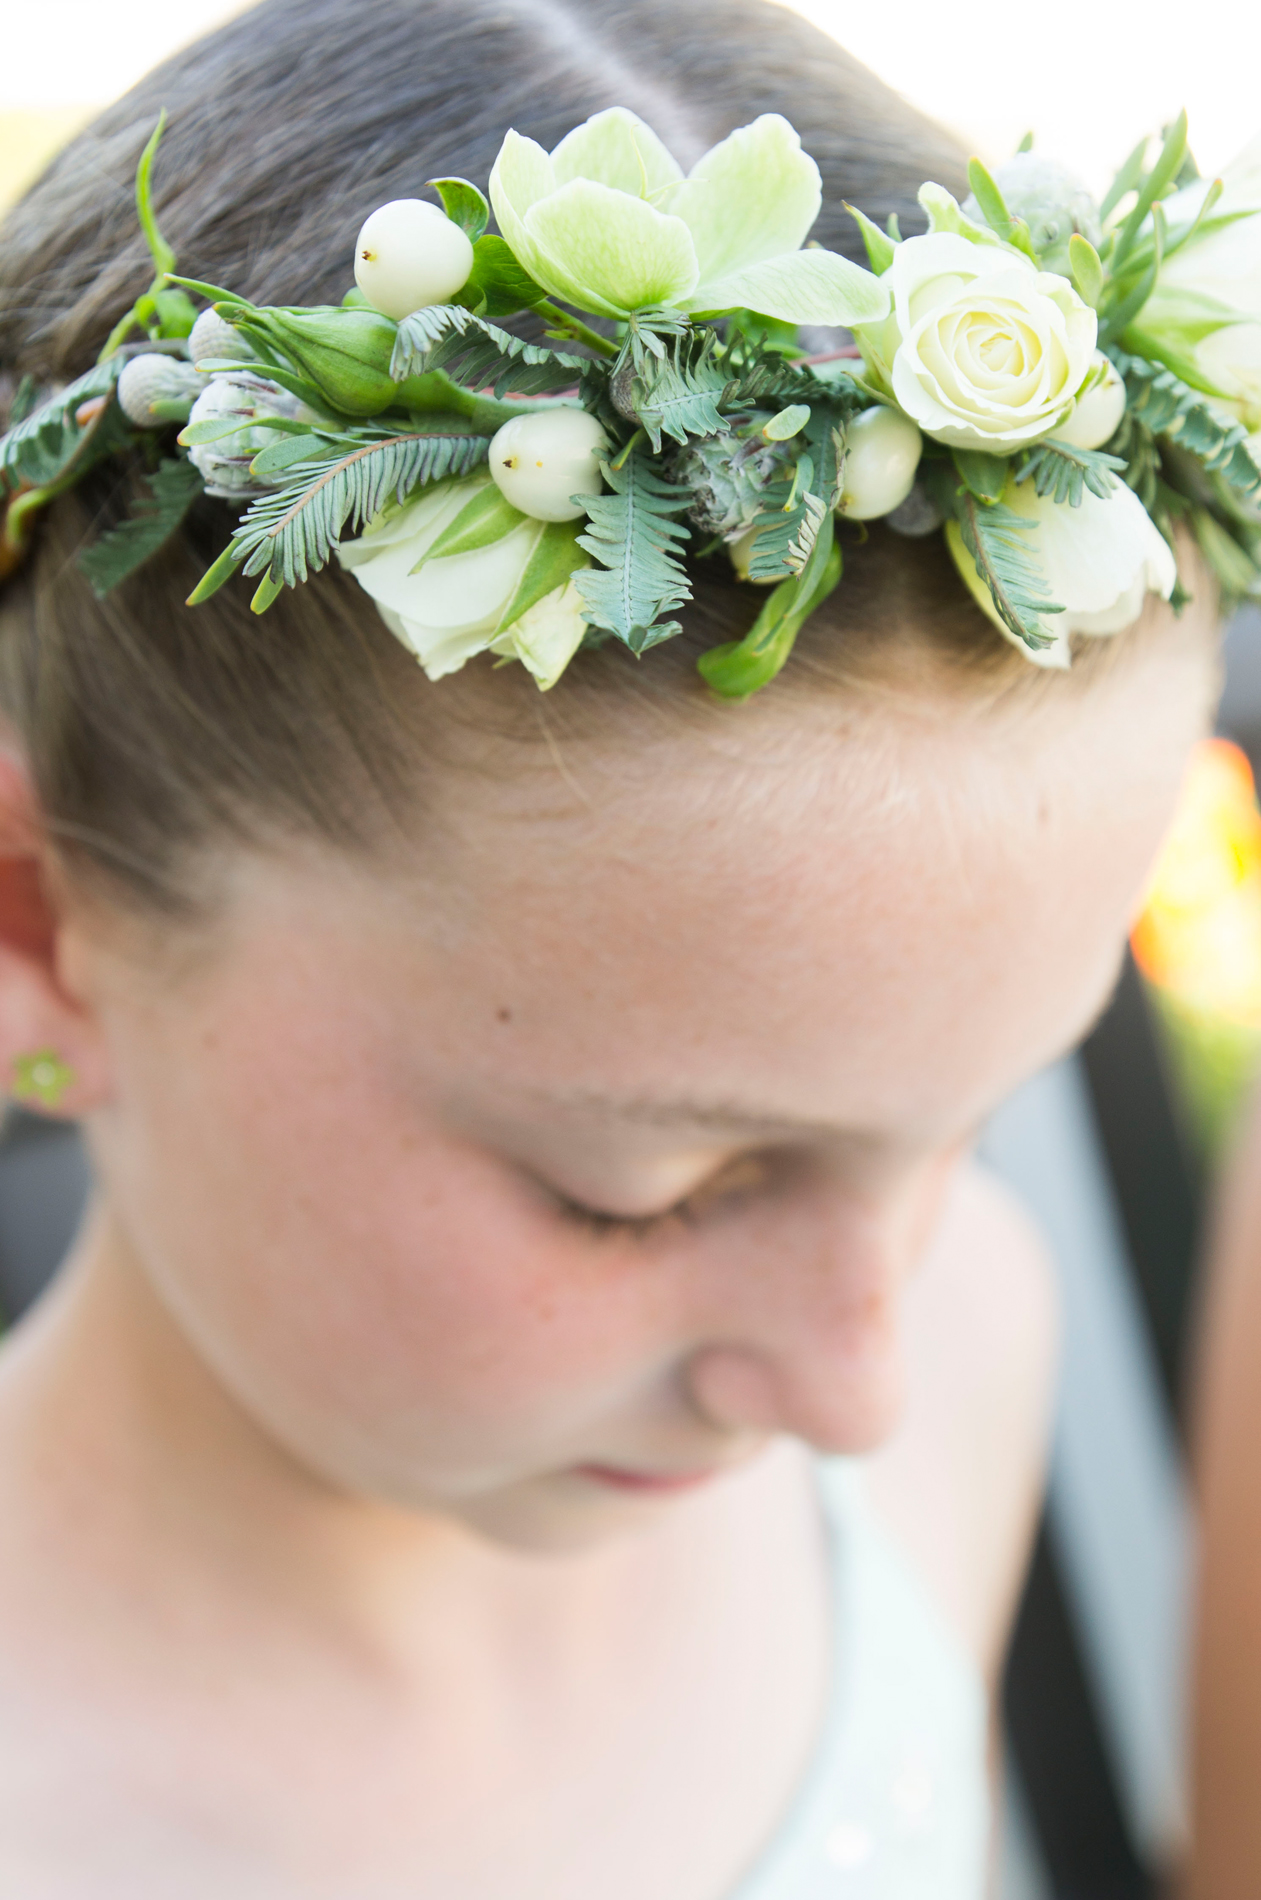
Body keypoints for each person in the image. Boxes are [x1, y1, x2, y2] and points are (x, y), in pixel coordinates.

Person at [0, 0, 1230, 1893]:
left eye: (977, 1117)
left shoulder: (960, 1356)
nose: (853, 1387)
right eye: (638, 1194)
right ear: (41, 918)